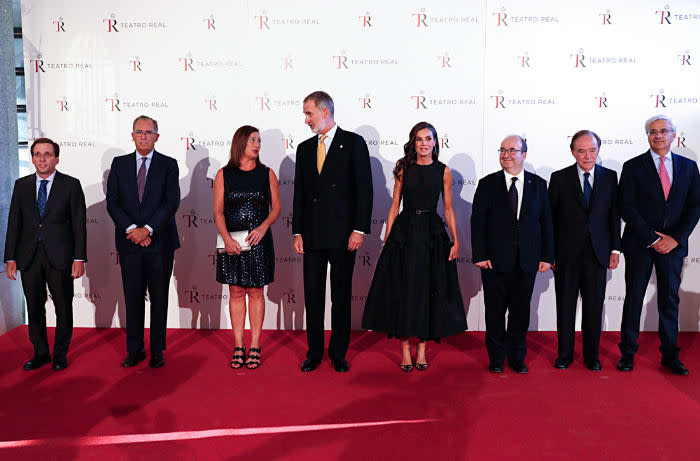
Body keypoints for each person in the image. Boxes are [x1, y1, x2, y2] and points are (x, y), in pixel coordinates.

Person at [362, 122, 467, 372]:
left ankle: (422, 349)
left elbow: (449, 209)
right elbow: (394, 206)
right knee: (405, 291)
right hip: (405, 232)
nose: (423, 144)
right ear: (413, 142)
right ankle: (405, 350)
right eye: (419, 139)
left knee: (427, 290)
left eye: (428, 139)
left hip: (432, 234)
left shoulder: (443, 171)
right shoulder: (403, 169)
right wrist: (386, 239)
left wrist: (457, 240)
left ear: (435, 142)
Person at [292, 91, 373, 373]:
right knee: (312, 296)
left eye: (309, 113)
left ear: (325, 112)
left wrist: (359, 229)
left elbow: (365, 190)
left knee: (341, 295)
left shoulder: (353, 143)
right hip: (312, 236)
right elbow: (299, 195)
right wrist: (297, 232)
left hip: (343, 236)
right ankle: (314, 352)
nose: (306, 120)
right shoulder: (303, 149)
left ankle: (339, 352)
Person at [617, 115, 700, 375]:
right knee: (633, 298)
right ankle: (627, 353)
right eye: (653, 131)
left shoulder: (689, 167)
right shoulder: (632, 166)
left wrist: (675, 238)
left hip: (674, 246)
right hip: (640, 244)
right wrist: (652, 239)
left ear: (673, 135)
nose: (658, 135)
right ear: (648, 136)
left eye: (664, 131)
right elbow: (626, 208)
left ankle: (670, 355)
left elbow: (695, 206)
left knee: (669, 300)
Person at [471, 135, 553, 374]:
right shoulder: (487, 184)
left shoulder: (538, 185)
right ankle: (496, 358)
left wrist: (547, 256)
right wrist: (480, 253)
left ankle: (517, 357)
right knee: (495, 311)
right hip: (494, 261)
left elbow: (546, 222)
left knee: (520, 312)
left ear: (524, 155)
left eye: (512, 150)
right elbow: (478, 222)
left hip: (527, 261)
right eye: (502, 150)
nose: (506, 155)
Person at [4, 138, 87, 371]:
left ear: (56, 158)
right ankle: (40, 352)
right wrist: (10, 257)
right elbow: (14, 223)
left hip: (60, 257)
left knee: (63, 307)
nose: (42, 158)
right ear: (32, 158)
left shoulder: (70, 185)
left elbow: (79, 224)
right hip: (29, 257)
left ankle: (60, 354)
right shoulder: (21, 186)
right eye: (38, 154)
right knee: (34, 307)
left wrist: (79, 258)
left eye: (47, 154)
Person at [106, 115, 180, 369]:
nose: (144, 136)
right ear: (132, 135)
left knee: (159, 298)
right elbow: (113, 203)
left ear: (157, 136)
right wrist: (133, 231)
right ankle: (134, 349)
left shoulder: (169, 165)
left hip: (160, 243)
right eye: (139, 131)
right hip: (129, 244)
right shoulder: (119, 164)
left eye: (149, 132)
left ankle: (158, 350)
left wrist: (147, 230)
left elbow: (171, 203)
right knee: (133, 297)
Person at [548, 130, 621, 372]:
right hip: (566, 255)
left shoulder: (610, 177)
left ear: (598, 150)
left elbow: (614, 217)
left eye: (592, 150)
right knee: (565, 307)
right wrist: (550, 254)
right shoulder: (559, 178)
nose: (587, 155)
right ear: (573, 152)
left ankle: (592, 356)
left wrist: (615, 250)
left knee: (593, 308)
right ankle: (565, 354)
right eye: (581, 150)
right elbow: (551, 220)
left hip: (598, 254)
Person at [214, 125, 281, 369]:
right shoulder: (224, 174)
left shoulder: (267, 173)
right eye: (253, 140)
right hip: (231, 240)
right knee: (235, 291)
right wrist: (227, 238)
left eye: (259, 141)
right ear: (240, 142)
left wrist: (263, 228)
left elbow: (276, 208)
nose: (257, 145)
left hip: (257, 241)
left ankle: (254, 345)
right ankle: (238, 345)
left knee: (255, 292)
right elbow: (218, 211)